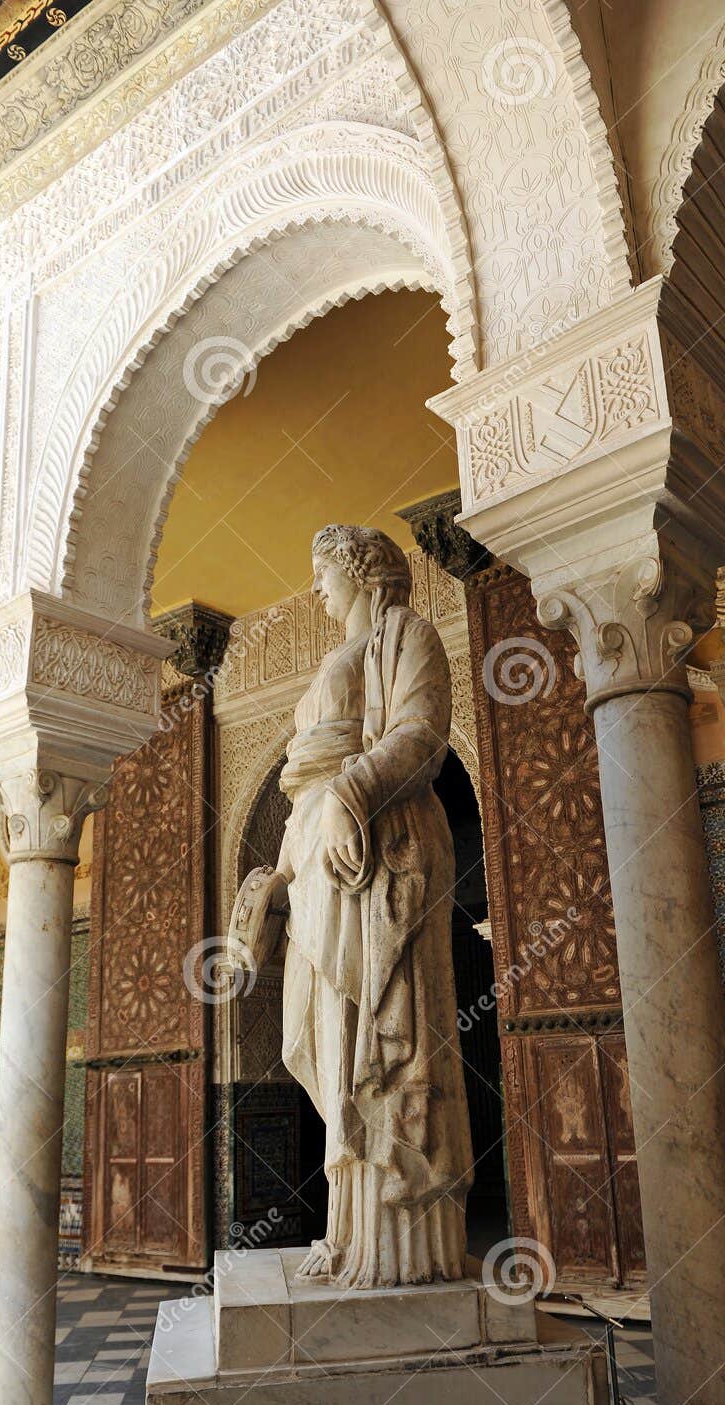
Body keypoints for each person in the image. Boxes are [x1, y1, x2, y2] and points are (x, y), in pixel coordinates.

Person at [272, 524, 473, 1288]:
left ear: (359, 574)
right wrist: (280, 871)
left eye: (325, 575)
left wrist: (352, 791)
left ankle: (403, 1243)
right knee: (330, 1034)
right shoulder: (344, 652)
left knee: (387, 1035)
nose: (317, 591)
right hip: (324, 858)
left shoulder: (410, 638)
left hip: (380, 852)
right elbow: (304, 785)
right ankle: (352, 1235)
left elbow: (421, 735)